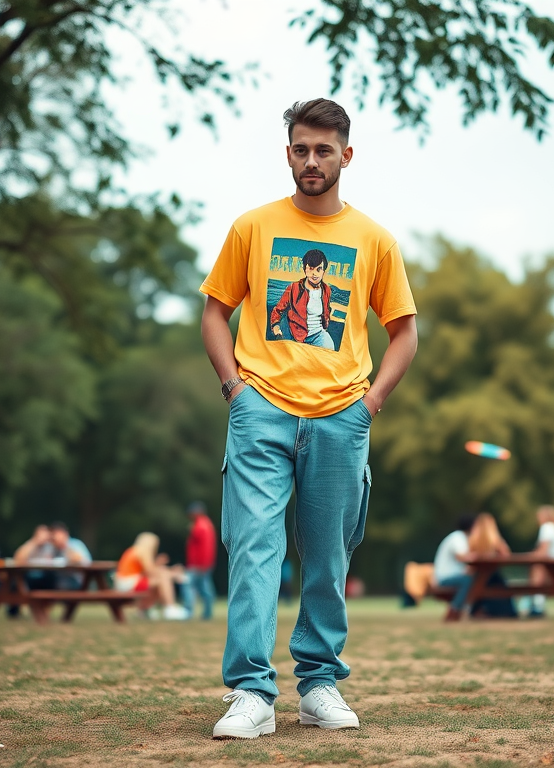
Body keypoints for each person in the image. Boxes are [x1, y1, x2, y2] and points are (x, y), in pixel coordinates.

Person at [200, 97, 417, 739]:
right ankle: (251, 694)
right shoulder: (253, 228)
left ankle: (319, 683)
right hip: (260, 408)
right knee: (253, 551)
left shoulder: (374, 239)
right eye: (301, 148)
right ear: (287, 152)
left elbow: (403, 332)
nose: (312, 160)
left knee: (327, 557)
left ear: (346, 156)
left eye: (325, 150)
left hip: (340, 415)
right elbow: (215, 311)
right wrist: (235, 388)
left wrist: (370, 402)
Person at [114, 532, 188, 620]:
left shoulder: (133, 550)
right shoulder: (142, 551)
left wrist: (167, 571)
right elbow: (151, 571)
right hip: (128, 583)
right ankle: (170, 608)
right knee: (163, 579)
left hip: (125, 583)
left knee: (160, 579)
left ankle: (145, 609)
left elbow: (147, 572)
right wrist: (173, 574)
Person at [269, 249, 334, 348]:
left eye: (318, 269)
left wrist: (325, 325)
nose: (314, 273)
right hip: (297, 334)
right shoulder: (294, 288)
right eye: (311, 268)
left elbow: (326, 311)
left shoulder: (326, 290)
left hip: (318, 334)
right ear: (305, 269)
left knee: (330, 349)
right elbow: (278, 310)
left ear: (323, 271)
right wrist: (276, 327)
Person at [467, 513, 517, 619]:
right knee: (499, 584)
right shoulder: (495, 540)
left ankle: (479, 610)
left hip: (477, 575)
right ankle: (506, 611)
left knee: (482, 584)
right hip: (493, 574)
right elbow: (507, 555)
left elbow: (469, 558)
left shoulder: (472, 540)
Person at [528, 505, 554, 619]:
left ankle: (537, 605)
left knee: (537, 570)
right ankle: (537, 603)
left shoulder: (547, 527)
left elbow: (543, 550)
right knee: (538, 569)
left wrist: (529, 555)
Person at [433, 515, 477, 622]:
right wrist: (476, 556)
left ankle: (475, 610)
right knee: (468, 580)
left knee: (475, 579)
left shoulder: (461, 538)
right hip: (444, 578)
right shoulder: (458, 537)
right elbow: (461, 557)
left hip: (449, 576)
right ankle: (455, 610)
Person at [185, 501, 218, 620]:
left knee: (189, 585)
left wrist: (203, 564)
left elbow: (206, 547)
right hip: (203, 563)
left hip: (198, 564)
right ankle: (207, 612)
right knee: (205, 587)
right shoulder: (207, 524)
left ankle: (189, 612)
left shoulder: (200, 526)